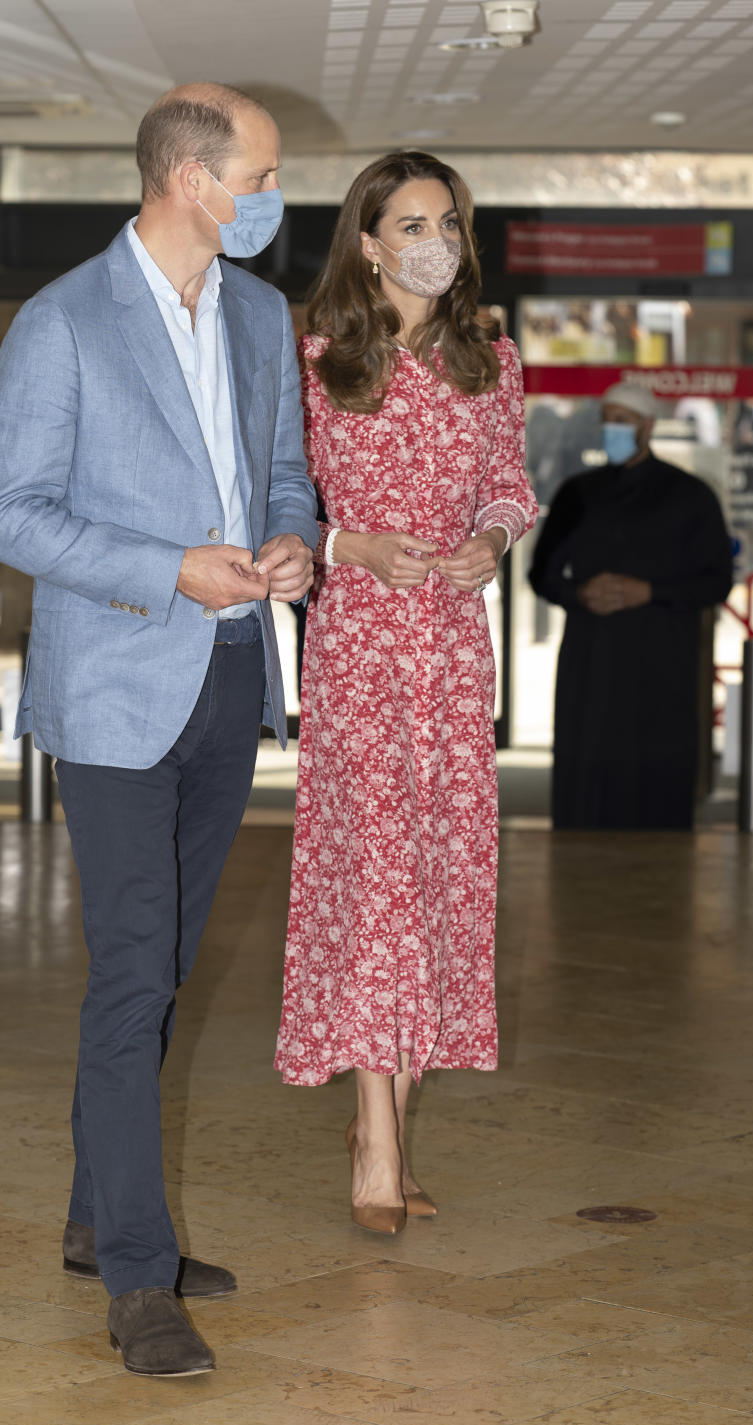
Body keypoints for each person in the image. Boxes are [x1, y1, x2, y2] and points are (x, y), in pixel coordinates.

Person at [0, 83, 318, 1378]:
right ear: (191, 178)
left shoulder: (265, 316)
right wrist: (169, 567)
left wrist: (294, 540)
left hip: (234, 673)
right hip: (116, 686)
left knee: (157, 968)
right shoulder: (64, 322)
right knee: (133, 975)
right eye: (264, 175)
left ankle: (90, 1219)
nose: (277, 199)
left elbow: (282, 476)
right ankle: (135, 1274)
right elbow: (9, 513)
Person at [274, 152, 537, 1233]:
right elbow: (276, 496)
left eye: (451, 222)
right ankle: (377, 1150)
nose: (438, 240)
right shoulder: (317, 358)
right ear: (369, 242)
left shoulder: (493, 359)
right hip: (359, 647)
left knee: (436, 876)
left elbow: (510, 482)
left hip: (452, 646)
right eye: (413, 222)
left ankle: (389, 1103)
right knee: (374, 877)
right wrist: (350, 545)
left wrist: (493, 536)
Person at [529, 382, 733, 830]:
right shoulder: (576, 494)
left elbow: (717, 581)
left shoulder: (691, 496)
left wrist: (650, 592)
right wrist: (577, 594)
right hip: (592, 660)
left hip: (662, 663)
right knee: (589, 782)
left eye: (623, 420)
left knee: (656, 785)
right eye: (607, 419)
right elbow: (540, 574)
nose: (612, 429)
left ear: (648, 426)